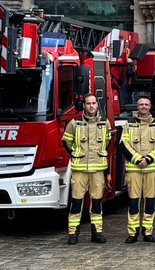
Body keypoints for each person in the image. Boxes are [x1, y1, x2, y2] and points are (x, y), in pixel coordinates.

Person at [62, 93, 111, 244]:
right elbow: (66, 142)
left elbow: (107, 142)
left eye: (93, 103)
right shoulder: (74, 123)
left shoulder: (105, 122)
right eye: (88, 103)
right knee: (76, 203)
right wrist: (76, 155)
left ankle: (97, 233)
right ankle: (73, 234)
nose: (91, 106)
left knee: (96, 203)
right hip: (79, 170)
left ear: (97, 105)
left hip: (97, 170)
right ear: (83, 105)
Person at [120, 96, 155, 243]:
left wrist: (148, 159)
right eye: (141, 104)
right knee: (133, 201)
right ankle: (132, 233)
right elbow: (123, 143)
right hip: (134, 169)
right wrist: (137, 159)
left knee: (150, 201)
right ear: (137, 107)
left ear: (150, 106)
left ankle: (148, 231)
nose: (144, 106)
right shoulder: (129, 123)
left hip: (151, 169)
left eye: (146, 104)